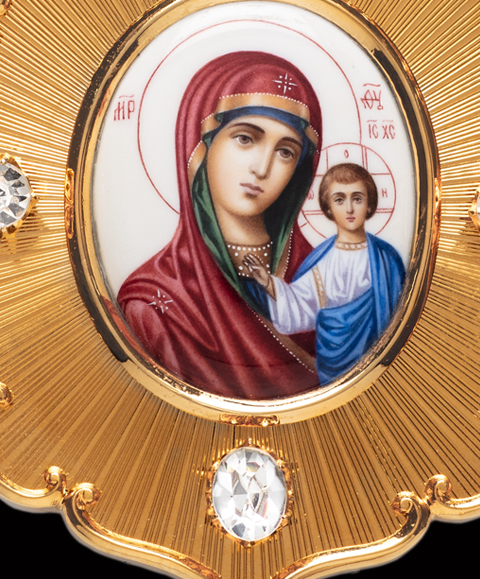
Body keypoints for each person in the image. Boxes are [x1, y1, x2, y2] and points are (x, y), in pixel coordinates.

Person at [116, 52, 325, 401]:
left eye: (286, 152)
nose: (262, 168)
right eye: (245, 138)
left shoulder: (325, 276)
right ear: (200, 147)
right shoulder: (156, 304)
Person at [251, 161, 406, 388]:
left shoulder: (388, 259)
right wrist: (268, 283)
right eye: (339, 200)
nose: (349, 209)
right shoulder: (322, 262)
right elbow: (299, 307)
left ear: (369, 204)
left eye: (357, 198)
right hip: (332, 366)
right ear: (328, 208)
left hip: (384, 370)